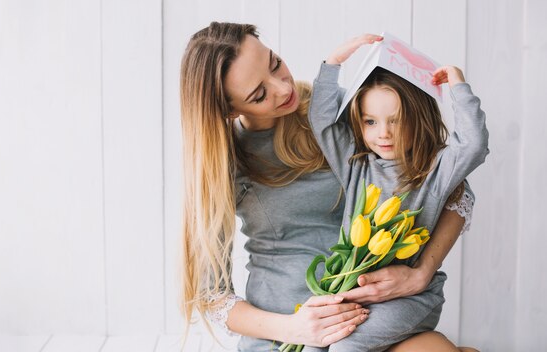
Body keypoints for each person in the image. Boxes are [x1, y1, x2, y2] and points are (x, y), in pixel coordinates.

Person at [179, 22, 478, 351]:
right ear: (229, 109)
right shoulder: (222, 166)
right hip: (287, 331)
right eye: (259, 94)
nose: (282, 88)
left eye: (275, 63)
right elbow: (211, 296)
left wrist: (422, 272)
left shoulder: (334, 113)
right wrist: (295, 329)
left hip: (373, 320)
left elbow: (452, 189)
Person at [306, 36, 488, 352]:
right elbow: (322, 121)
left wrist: (458, 86)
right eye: (370, 121)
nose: (384, 133)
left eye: (397, 120)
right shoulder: (356, 165)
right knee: (313, 345)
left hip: (410, 299)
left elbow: (474, 144)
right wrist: (334, 62)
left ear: (418, 116)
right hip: (354, 288)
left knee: (345, 347)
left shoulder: (435, 169)